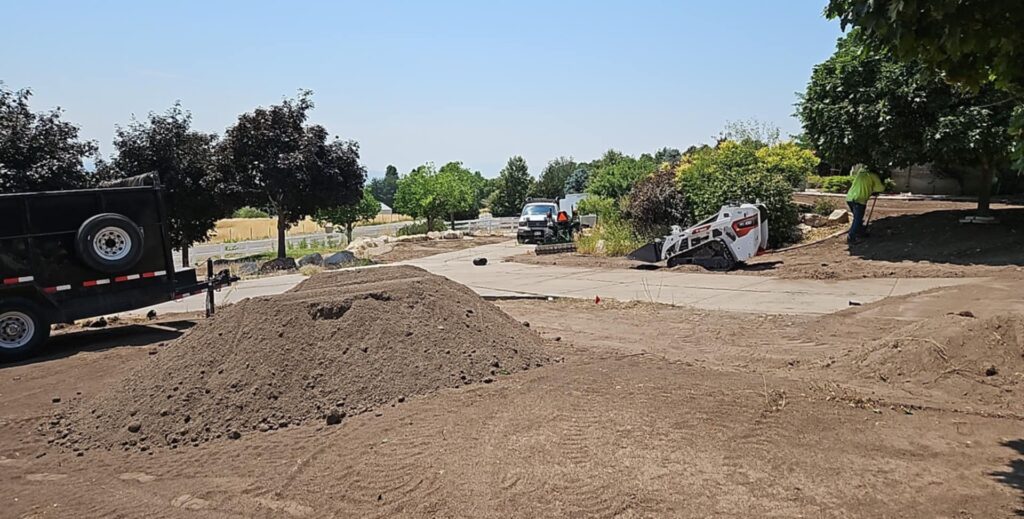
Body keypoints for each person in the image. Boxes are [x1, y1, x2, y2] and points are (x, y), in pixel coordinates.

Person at [845, 164, 885, 244]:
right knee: (858, 218)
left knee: (857, 217)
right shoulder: (873, 176)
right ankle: (851, 236)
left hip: (849, 197)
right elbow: (881, 188)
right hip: (860, 199)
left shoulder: (861, 172)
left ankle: (860, 232)